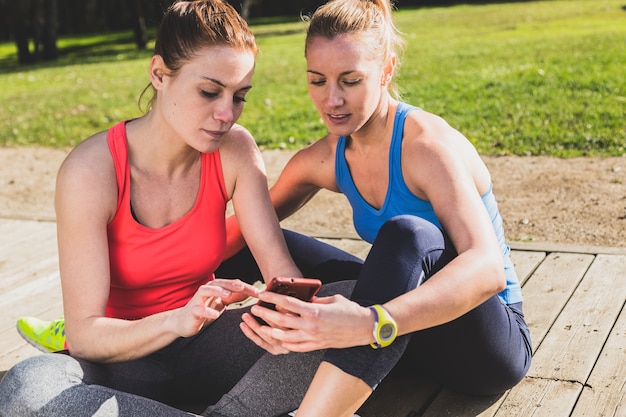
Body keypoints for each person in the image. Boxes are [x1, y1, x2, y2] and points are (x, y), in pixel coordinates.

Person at [0, 1, 362, 416]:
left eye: (239, 96)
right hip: (118, 362)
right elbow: (83, 336)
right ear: (159, 74)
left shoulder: (235, 151)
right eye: (209, 92)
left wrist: (293, 315)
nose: (226, 113)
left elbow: (282, 273)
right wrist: (176, 319)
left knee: (350, 303)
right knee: (28, 386)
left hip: (207, 349)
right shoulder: (91, 170)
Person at [232, 0, 532, 415]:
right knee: (259, 237)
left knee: (409, 235)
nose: (331, 99)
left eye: (350, 80)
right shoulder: (325, 158)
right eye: (317, 80)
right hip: (409, 339)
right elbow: (245, 224)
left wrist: (371, 322)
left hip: (485, 348)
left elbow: (487, 269)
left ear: (386, 70)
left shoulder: (426, 147)